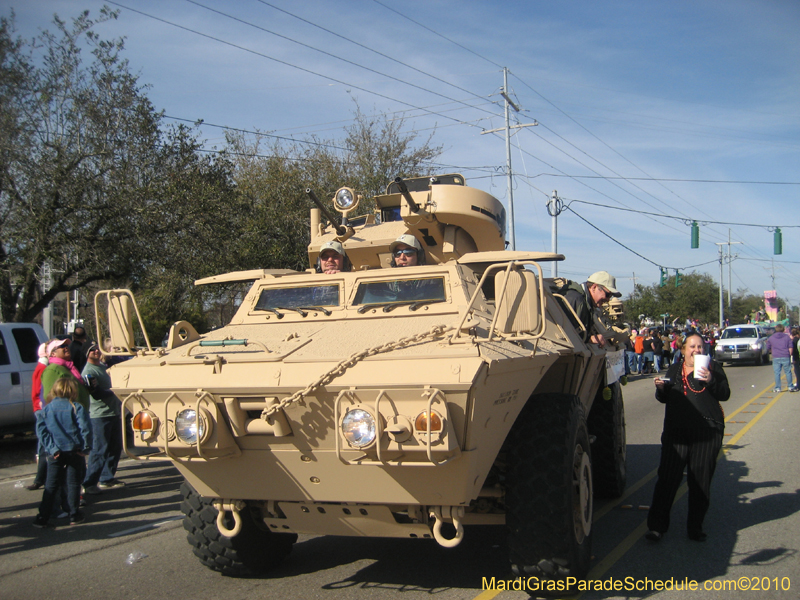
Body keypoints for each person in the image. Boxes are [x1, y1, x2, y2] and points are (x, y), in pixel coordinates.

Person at [646, 333, 730, 543]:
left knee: (699, 481)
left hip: (706, 433)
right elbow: (664, 398)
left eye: (700, 347)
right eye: (692, 347)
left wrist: (710, 380)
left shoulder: (714, 368)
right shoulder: (675, 370)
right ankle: (656, 527)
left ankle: (695, 527)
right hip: (676, 433)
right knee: (667, 479)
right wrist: (660, 390)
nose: (696, 350)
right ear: (683, 350)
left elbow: (725, 393)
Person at [32, 378, 92, 528]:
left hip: (55, 451)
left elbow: (42, 432)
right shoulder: (76, 407)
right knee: (73, 483)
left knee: (51, 485)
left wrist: (52, 448)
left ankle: (42, 517)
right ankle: (74, 514)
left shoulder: (46, 409)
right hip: (74, 449)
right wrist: (85, 447)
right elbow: (85, 429)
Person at [82, 342, 125, 494]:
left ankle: (107, 478)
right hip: (100, 415)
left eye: (97, 349)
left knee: (115, 446)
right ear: (86, 354)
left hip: (114, 413)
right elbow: (96, 393)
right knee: (100, 450)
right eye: (91, 350)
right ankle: (89, 483)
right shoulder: (88, 371)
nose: (95, 352)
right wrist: (115, 391)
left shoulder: (103, 367)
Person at [563, 270, 622, 348]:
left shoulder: (586, 303)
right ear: (594, 287)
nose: (608, 300)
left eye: (610, 296)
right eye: (607, 294)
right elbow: (565, 332)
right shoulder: (576, 299)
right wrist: (590, 339)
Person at [765, 323, 797, 393]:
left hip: (776, 356)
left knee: (777, 373)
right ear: (783, 330)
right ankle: (790, 386)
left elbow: (768, 347)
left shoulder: (771, 338)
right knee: (788, 372)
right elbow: (791, 347)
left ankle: (777, 388)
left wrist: (773, 351)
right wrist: (789, 355)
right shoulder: (787, 337)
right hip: (785, 356)